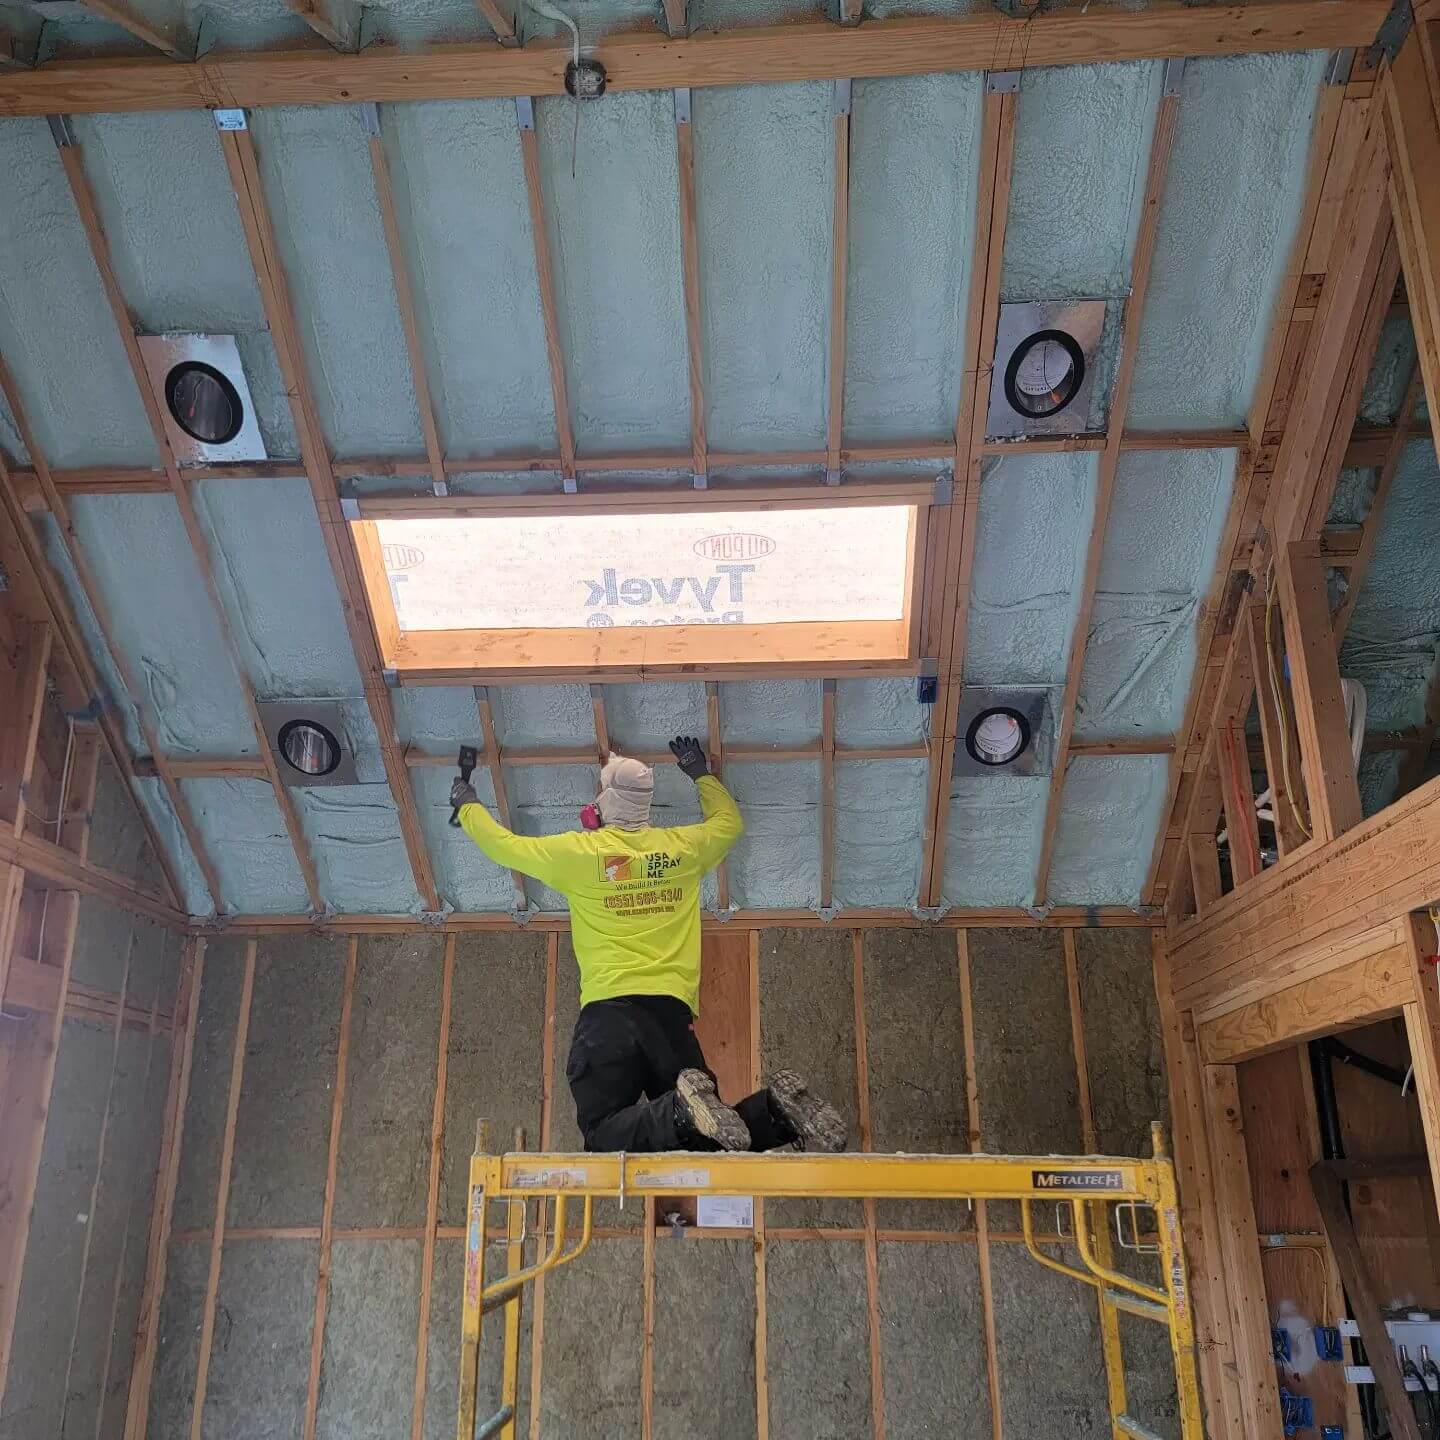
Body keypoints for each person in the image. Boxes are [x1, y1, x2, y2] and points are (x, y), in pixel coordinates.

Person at [450, 736, 846, 1155]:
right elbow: (729, 824)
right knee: (707, 1139)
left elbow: (503, 846)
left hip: (610, 1016)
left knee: (602, 1132)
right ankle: (776, 1113)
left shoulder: (577, 854)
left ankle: (681, 1110)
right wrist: (700, 775)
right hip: (671, 1020)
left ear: (603, 803)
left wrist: (469, 804)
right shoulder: (681, 849)